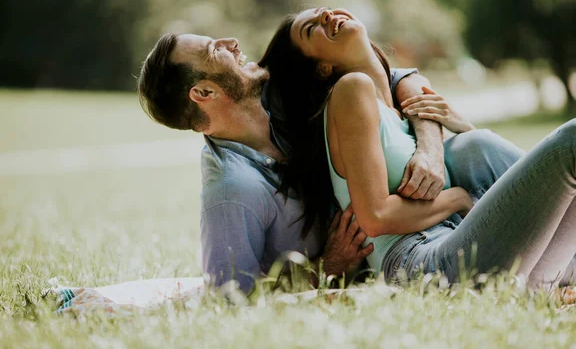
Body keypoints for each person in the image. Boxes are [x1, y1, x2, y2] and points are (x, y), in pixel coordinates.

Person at [137, 31, 544, 293]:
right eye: (214, 50)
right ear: (204, 93)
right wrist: (326, 267)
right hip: (402, 254)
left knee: (476, 147)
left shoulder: (276, 91)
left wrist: (430, 149)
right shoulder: (232, 191)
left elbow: (399, 78)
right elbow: (230, 300)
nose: (231, 41)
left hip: (429, 215)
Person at [259, 7, 576, 289]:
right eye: (312, 28)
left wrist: (462, 132)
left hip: (460, 249)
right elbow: (375, 217)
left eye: (324, 11)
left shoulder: (394, 102)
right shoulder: (351, 91)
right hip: (419, 265)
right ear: (322, 68)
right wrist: (460, 197)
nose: (328, 16)